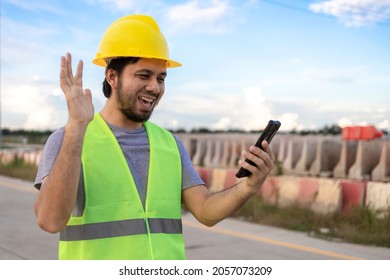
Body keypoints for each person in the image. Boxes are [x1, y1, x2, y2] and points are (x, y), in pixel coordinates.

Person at [34, 14, 275, 260]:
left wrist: (249, 186)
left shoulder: (170, 144)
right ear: (112, 76)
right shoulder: (69, 139)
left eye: (161, 78)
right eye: (143, 75)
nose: (155, 87)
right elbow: (50, 221)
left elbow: (205, 211)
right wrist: (76, 128)